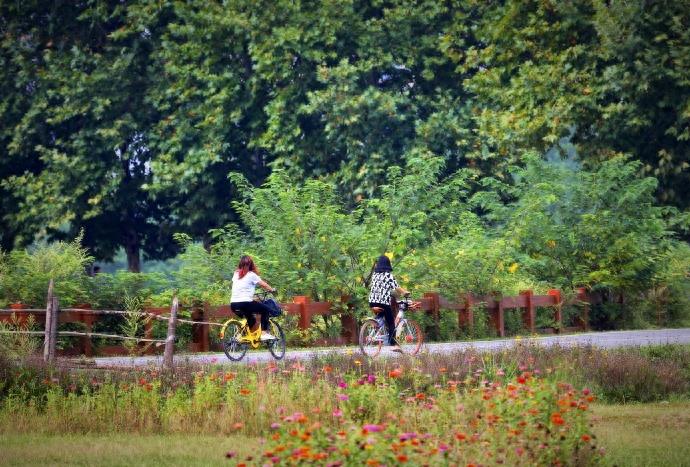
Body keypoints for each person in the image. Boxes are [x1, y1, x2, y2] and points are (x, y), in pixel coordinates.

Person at [230, 255, 277, 341]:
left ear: (240, 264)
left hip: (233, 304)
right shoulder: (251, 275)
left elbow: (239, 287)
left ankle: (242, 336)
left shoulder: (235, 274)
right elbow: (264, 285)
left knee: (251, 318)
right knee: (265, 310)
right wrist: (272, 289)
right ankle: (264, 333)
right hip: (245, 303)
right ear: (251, 265)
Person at [368, 255, 408, 352]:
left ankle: (375, 328)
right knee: (391, 322)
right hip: (383, 302)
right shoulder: (388, 275)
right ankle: (393, 344)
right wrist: (405, 292)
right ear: (387, 264)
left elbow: (381, 288)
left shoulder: (374, 275)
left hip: (372, 302)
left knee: (381, 317)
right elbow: (397, 288)